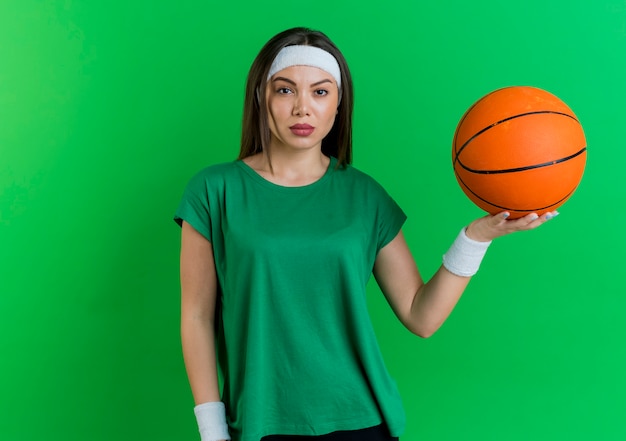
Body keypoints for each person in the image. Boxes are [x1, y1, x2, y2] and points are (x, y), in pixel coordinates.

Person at [174, 27, 557, 441]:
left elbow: (421, 315)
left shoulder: (364, 196)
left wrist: (476, 237)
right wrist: (211, 430)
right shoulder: (215, 191)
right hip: (260, 423)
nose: (303, 107)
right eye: (286, 90)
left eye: (320, 92)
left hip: (361, 422)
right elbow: (197, 317)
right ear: (261, 98)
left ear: (338, 104)